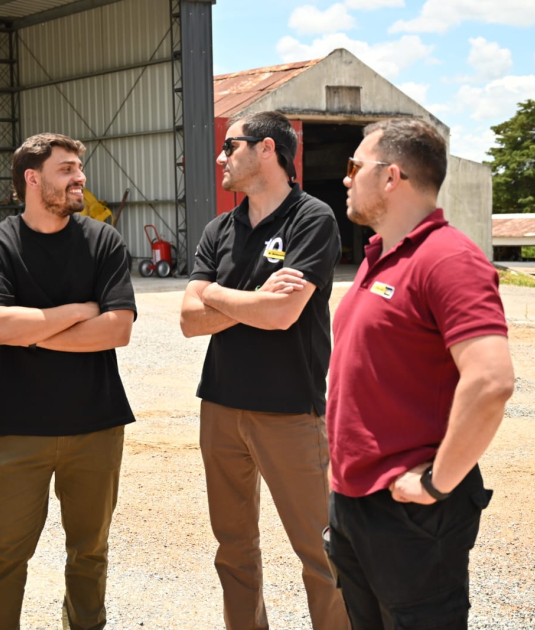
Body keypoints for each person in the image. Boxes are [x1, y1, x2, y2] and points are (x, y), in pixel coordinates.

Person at [325, 118, 515, 629]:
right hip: (354, 501)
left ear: (391, 177)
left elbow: (491, 381)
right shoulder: (379, 255)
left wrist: (436, 483)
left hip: (411, 513)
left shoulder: (448, 259)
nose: (346, 178)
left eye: (354, 167)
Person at [179, 110, 349, 630]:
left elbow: (281, 315)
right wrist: (247, 300)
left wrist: (215, 296)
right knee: (233, 550)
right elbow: (188, 321)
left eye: (230, 146)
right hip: (221, 408)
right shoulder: (219, 229)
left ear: (268, 149)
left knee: (321, 553)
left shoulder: (312, 219)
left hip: (289, 410)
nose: (220, 156)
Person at [0, 132, 136, 630]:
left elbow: (118, 329)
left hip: (97, 425)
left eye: (78, 169)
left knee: (90, 554)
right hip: (20, 429)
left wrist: (35, 332)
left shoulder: (102, 239)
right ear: (32, 178)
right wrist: (77, 311)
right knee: (5, 556)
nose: (79, 178)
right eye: (66, 169)